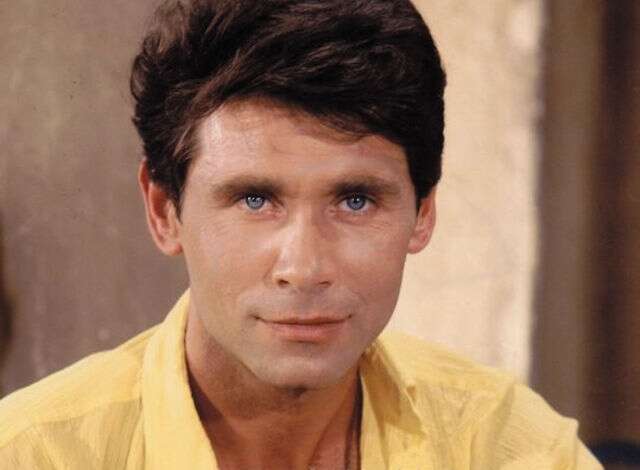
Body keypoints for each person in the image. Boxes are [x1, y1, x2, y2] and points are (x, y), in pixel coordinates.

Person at [0, 0, 602, 468]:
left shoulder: (506, 447)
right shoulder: (32, 454)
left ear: (423, 213)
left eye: (355, 200)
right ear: (164, 211)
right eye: (255, 199)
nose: (305, 267)